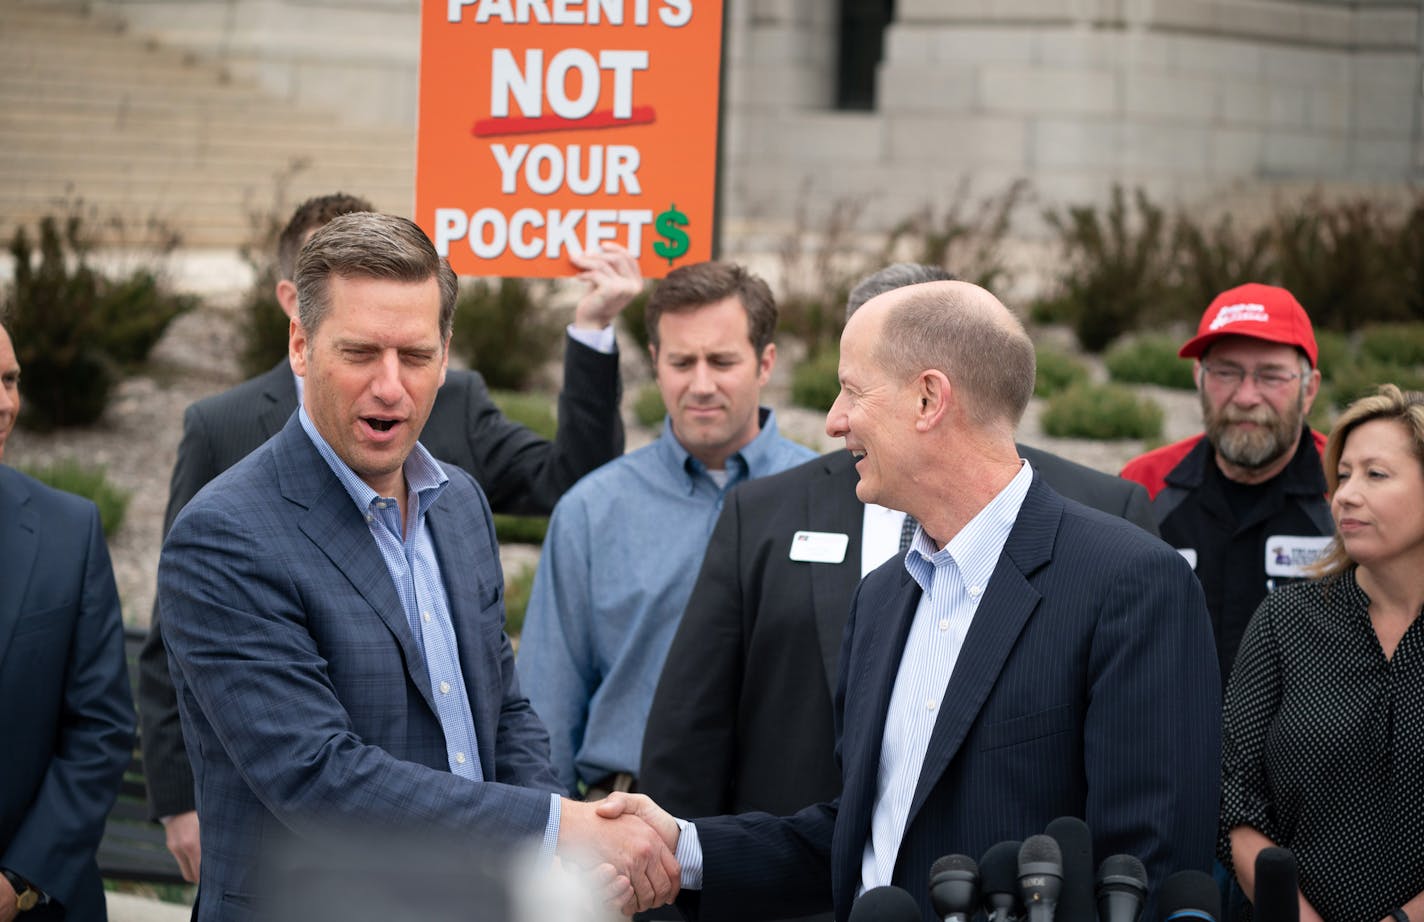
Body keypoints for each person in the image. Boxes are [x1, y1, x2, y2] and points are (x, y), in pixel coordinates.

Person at [604, 279, 1221, 921]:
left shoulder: (1130, 581)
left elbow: (1147, 871)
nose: (834, 420)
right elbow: (863, 842)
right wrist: (686, 847)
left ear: (929, 399)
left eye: (853, 390)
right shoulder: (883, 597)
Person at [156, 213, 675, 921]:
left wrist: (559, 838)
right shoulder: (226, 536)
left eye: (415, 354)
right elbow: (321, 781)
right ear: (301, 346)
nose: (391, 386)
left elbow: (504, 709)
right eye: (361, 352)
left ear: (446, 351)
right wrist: (557, 828)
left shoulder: (458, 502)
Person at [516, 261, 817, 799]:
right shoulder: (592, 511)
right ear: (655, 363)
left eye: (722, 361)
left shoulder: (829, 498)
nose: (701, 385)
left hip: (787, 833)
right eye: (682, 362)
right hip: (627, 833)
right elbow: (547, 709)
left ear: (765, 362)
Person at [1220, 384, 1424, 922]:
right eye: (1344, 476)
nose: (1346, 496)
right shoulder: (1286, 619)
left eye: (1375, 475)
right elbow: (1231, 792)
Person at [1121, 282, 1329, 687]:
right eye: (1226, 372)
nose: (1246, 396)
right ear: (1199, 378)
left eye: (1270, 375)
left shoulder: (1348, 489)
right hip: (1175, 741)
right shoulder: (1142, 486)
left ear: (1309, 390)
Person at [0, 319, 135, 921]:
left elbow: (102, 726)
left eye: (10, 381)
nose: (6, 404)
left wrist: (16, 882)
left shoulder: (68, 532)